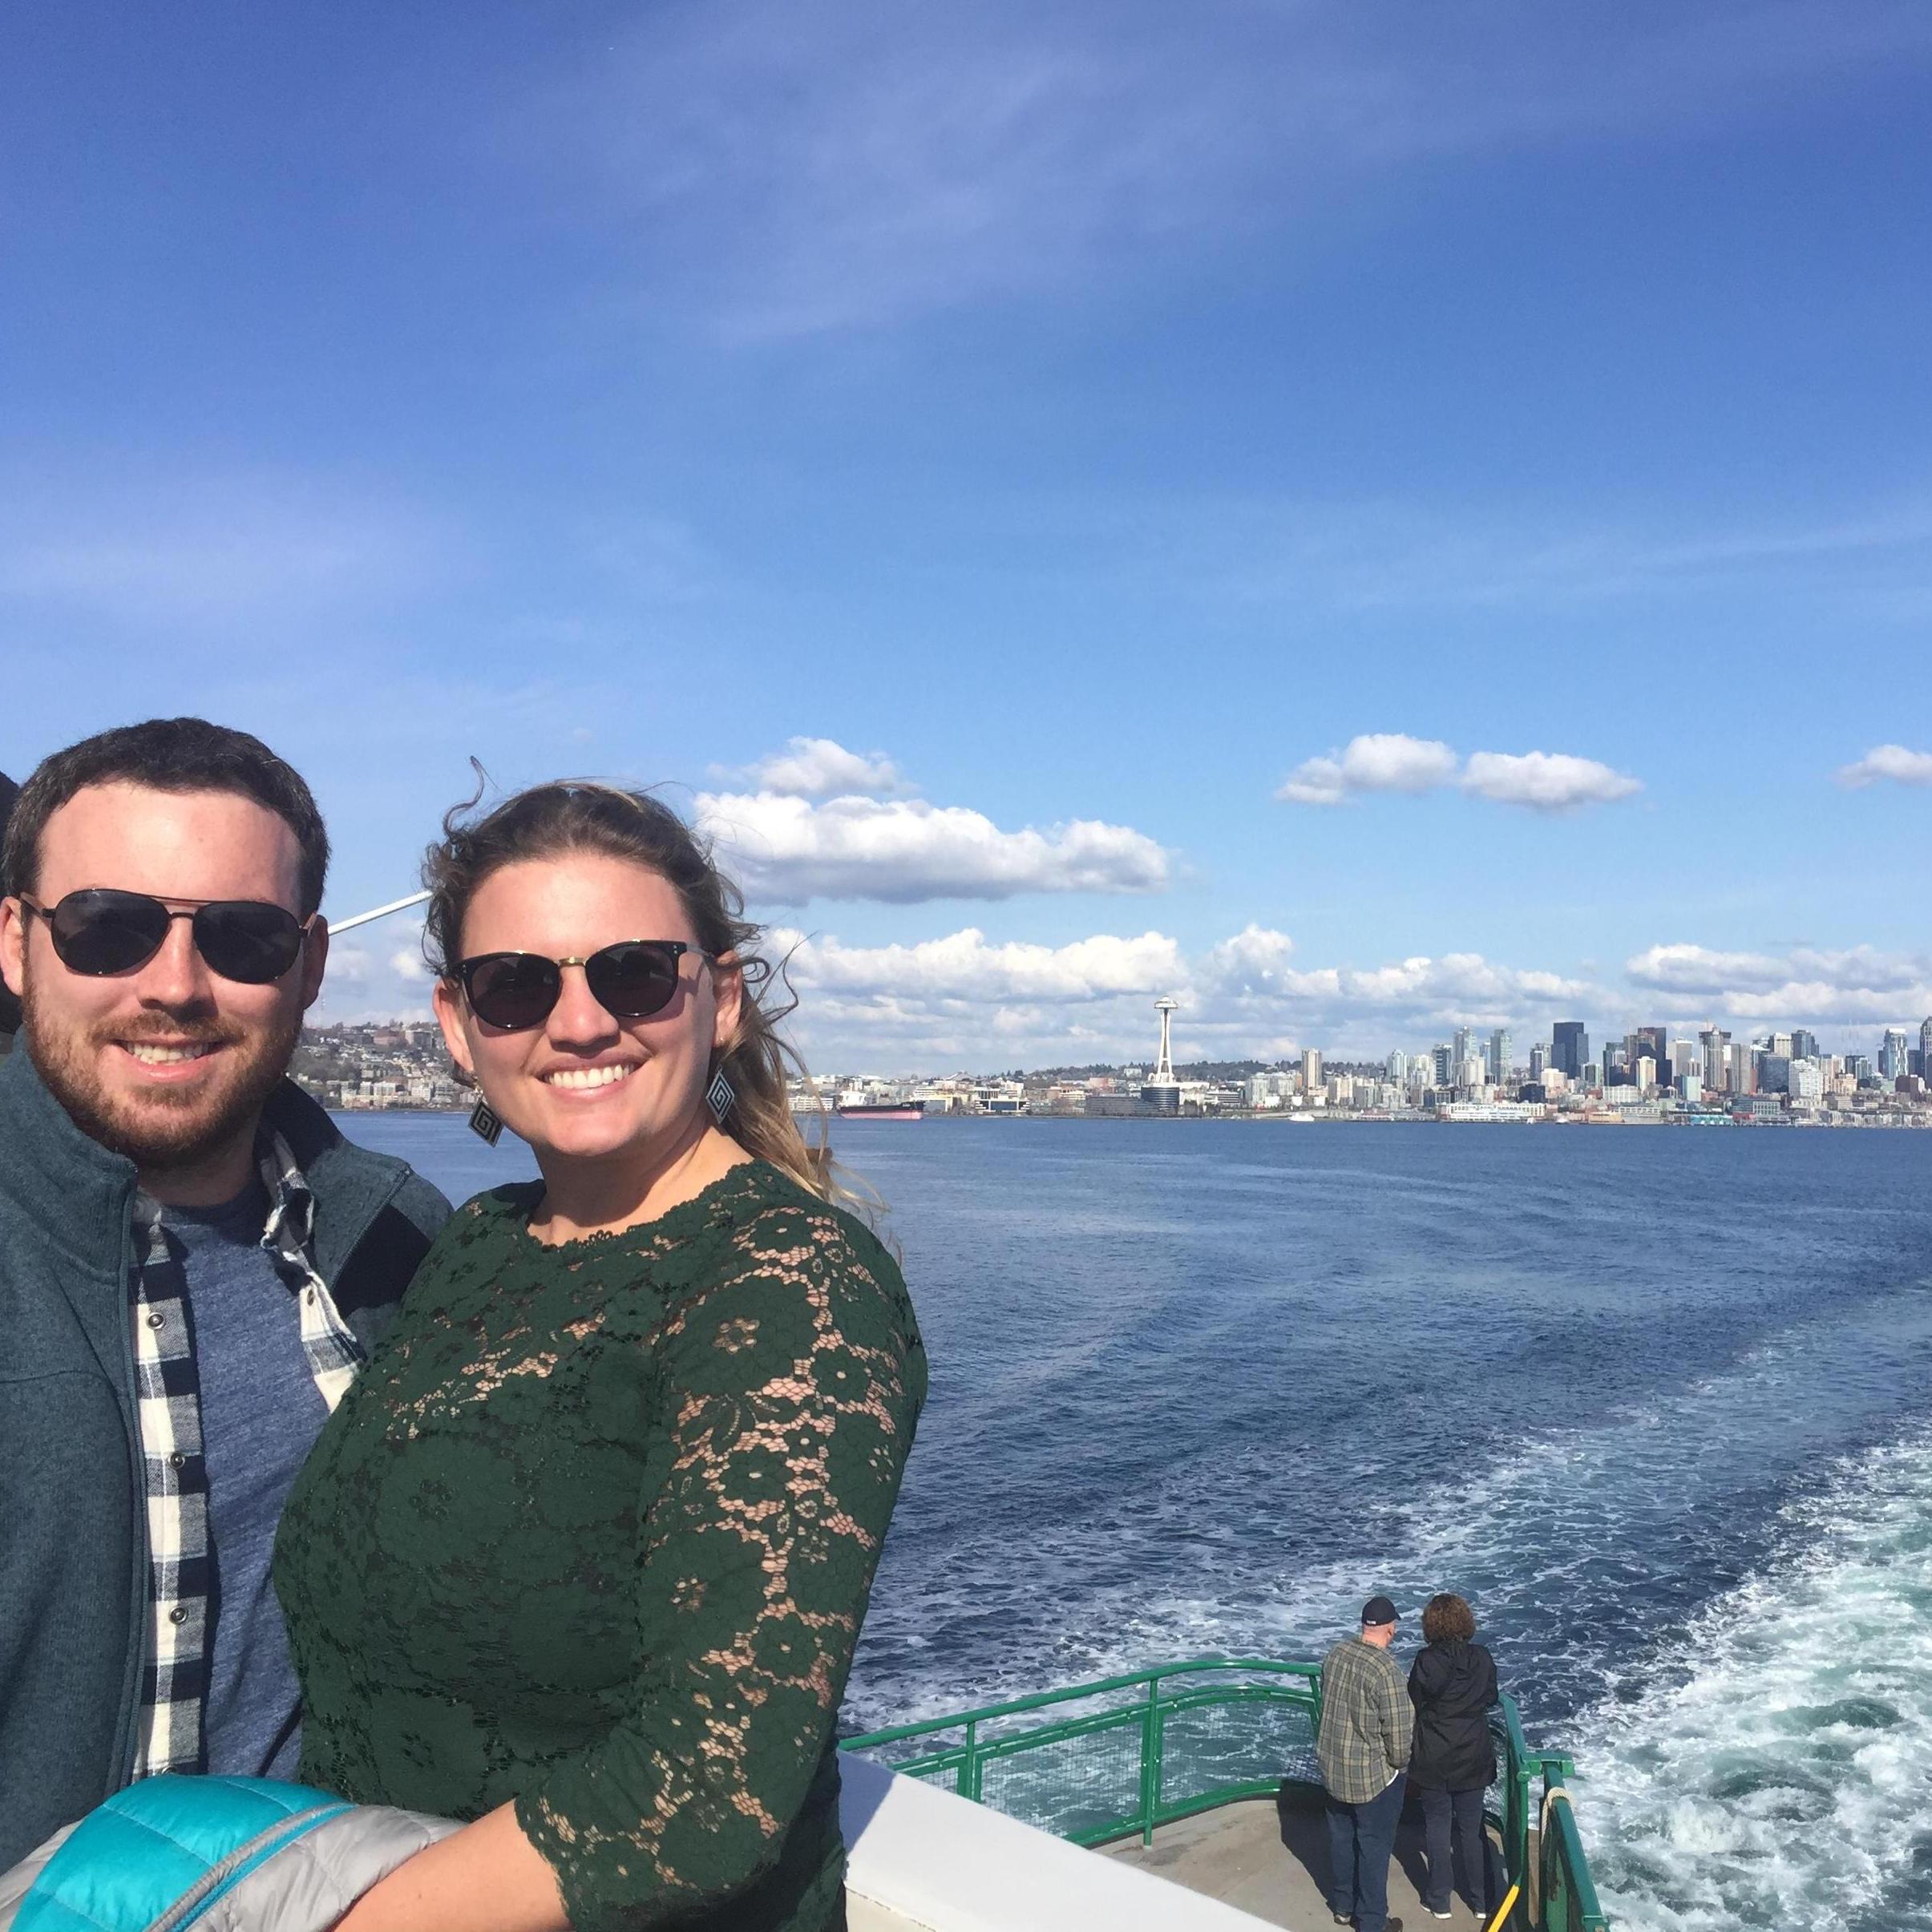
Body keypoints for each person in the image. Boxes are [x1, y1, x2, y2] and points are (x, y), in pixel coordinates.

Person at [273, 781, 928, 1932]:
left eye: (629, 971)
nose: (577, 1022)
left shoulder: (787, 1283)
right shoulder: (476, 1242)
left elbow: (706, 1792)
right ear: (456, 1021)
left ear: (717, 997)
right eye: (517, 984)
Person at [0, 718, 451, 1871]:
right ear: (16, 942)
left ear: (307, 964)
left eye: (241, 938)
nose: (175, 986)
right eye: (109, 927)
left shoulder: (396, 1239)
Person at [1318, 1595, 1413, 1932]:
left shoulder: (1337, 1654)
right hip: (1372, 1779)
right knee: (1374, 1848)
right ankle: (1372, 1922)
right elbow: (1400, 1735)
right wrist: (1399, 1767)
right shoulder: (1387, 1671)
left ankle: (1343, 1906)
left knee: (1342, 1839)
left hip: (1333, 1769)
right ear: (1391, 1629)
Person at [1407, 1592, 1499, 1923]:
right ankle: (1481, 1901)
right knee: (1472, 1830)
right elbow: (1491, 1696)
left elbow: (1414, 1700)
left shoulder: (1425, 1661)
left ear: (1430, 1625)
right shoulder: (1482, 1657)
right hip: (1473, 1754)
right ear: (1466, 1621)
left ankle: (1439, 1901)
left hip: (1434, 1755)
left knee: (1437, 1827)